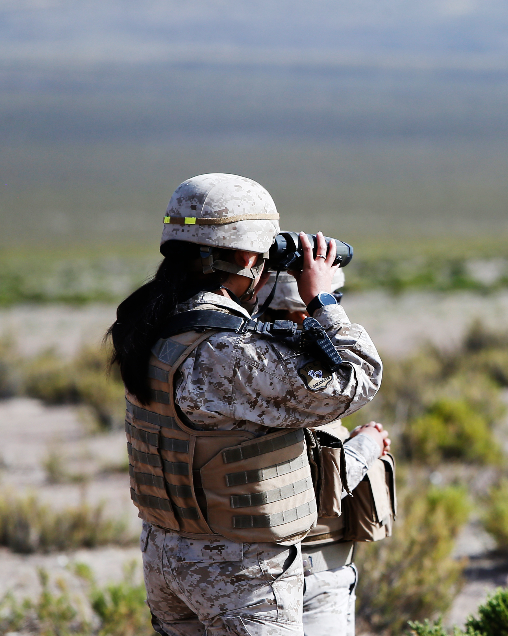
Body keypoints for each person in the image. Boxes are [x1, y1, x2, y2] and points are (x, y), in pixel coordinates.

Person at [107, 173, 389, 636]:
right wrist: (322, 298)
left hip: (167, 555)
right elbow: (354, 380)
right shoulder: (227, 354)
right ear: (243, 256)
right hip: (238, 572)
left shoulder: (153, 326)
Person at [258, 270, 385, 636]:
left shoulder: (238, 368)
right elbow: (313, 486)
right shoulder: (305, 381)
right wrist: (368, 444)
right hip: (315, 567)